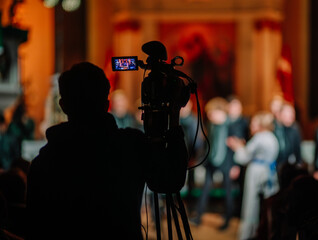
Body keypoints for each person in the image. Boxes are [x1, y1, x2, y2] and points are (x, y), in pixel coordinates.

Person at [26, 62, 188, 239]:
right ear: (106, 104)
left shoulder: (43, 163)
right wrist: (173, 119)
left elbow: (35, 229)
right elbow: (170, 180)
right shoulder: (131, 145)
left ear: (63, 105)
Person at [227, 111, 279, 240]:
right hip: (269, 171)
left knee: (251, 204)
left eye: (253, 123)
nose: (251, 126)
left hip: (256, 172)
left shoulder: (259, 138)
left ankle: (248, 234)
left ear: (261, 125)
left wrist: (237, 147)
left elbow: (244, 157)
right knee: (267, 203)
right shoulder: (272, 137)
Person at [192, 97, 232, 230]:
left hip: (226, 162)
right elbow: (207, 142)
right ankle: (198, 217)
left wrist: (235, 165)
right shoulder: (211, 124)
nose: (209, 115)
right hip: (211, 160)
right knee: (205, 189)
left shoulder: (230, 124)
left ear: (219, 111)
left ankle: (227, 219)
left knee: (227, 191)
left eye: (211, 113)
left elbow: (234, 146)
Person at [273, 103, 302, 172]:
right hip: (276, 165)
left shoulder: (295, 128)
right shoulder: (274, 128)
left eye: (292, 114)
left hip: (291, 165)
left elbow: (298, 148)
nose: (291, 117)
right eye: (287, 114)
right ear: (279, 115)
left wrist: (299, 163)